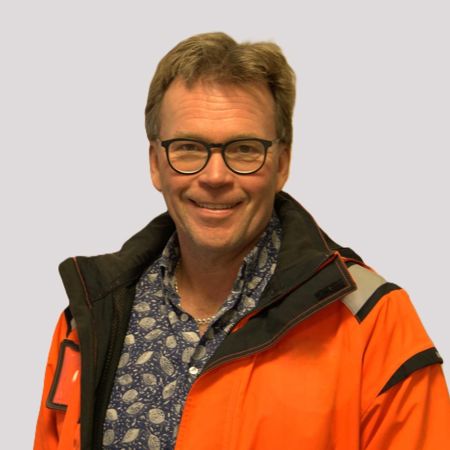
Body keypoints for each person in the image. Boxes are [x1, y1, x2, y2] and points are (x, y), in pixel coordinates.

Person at [34, 32, 450, 450]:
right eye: (188, 147)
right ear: (156, 164)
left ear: (282, 164)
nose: (215, 176)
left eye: (244, 149)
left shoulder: (374, 322)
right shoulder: (90, 317)